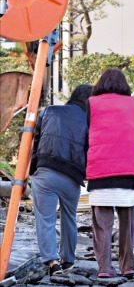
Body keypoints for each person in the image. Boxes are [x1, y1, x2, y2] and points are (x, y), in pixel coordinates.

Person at [30, 84, 93, 276]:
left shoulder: (49, 111)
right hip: (72, 177)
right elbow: (90, 150)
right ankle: (68, 260)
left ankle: (53, 262)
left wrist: (33, 170)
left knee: (46, 219)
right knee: (69, 217)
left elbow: (35, 141)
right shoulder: (90, 121)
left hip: (46, 171)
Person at [86, 68, 134, 278]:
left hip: (100, 171)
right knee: (127, 225)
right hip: (126, 170)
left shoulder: (92, 103)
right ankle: (128, 266)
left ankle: (104, 268)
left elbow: (87, 133)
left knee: (102, 225)